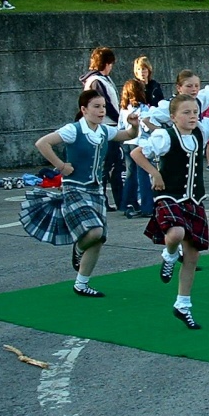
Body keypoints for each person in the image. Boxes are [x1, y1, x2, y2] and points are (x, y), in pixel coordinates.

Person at [132, 66, 209, 329]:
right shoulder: (164, 136)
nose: (192, 116)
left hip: (195, 199)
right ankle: (168, 256)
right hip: (168, 196)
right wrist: (155, 173)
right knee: (177, 234)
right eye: (186, 113)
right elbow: (137, 154)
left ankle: (183, 304)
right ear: (173, 116)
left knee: (193, 255)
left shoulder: (201, 132)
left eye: (195, 112)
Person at [20, 89, 140, 297]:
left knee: (99, 237)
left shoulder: (104, 131)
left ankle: (81, 284)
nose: (101, 111)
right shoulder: (73, 130)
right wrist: (60, 165)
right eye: (96, 107)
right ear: (84, 110)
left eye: (103, 106)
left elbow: (129, 135)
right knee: (94, 233)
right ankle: (78, 248)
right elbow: (42, 143)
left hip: (95, 190)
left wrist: (134, 125)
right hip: (74, 188)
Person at [80, 47, 125, 211]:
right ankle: (103, 200)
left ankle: (119, 200)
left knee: (115, 165)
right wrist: (120, 120)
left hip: (109, 126)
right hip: (105, 127)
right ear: (106, 63)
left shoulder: (102, 79)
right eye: (111, 63)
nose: (111, 66)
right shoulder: (96, 81)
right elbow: (104, 105)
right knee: (107, 166)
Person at [118, 79, 153, 218]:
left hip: (126, 142)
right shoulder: (144, 108)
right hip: (140, 142)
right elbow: (146, 127)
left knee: (130, 174)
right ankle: (147, 205)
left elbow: (120, 128)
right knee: (143, 174)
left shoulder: (123, 109)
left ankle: (127, 202)